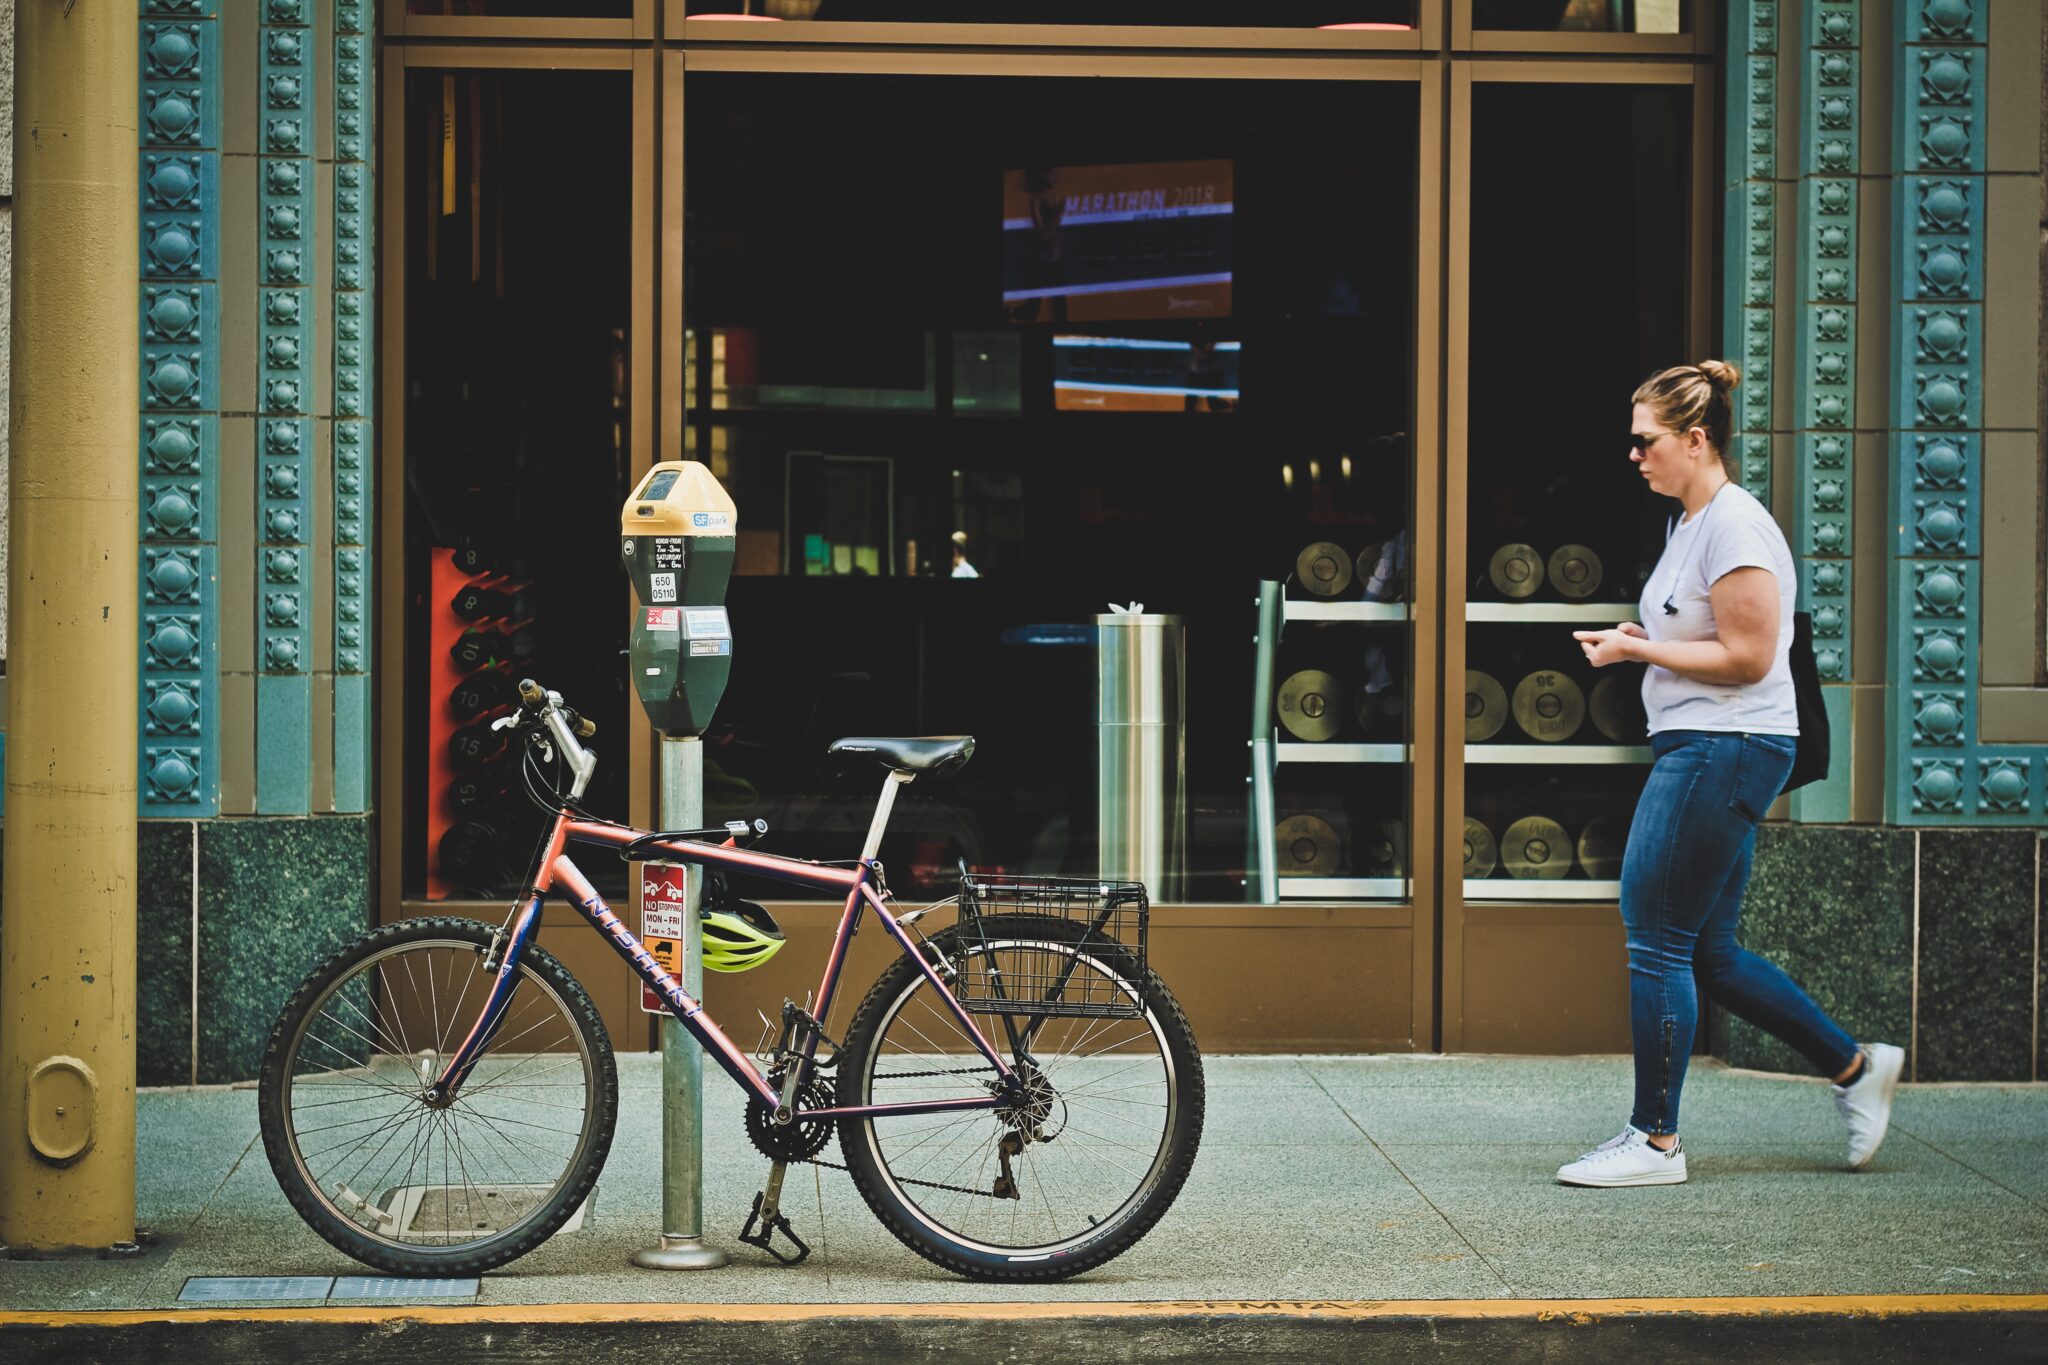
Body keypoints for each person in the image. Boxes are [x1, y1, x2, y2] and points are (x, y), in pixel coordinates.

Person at [1558, 360, 1902, 1188]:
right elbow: (1710, 635)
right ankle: (1858, 1068)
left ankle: (1654, 1142)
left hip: (1725, 744)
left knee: (1655, 934)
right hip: (1707, 743)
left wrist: (1640, 647)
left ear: (1696, 439)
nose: (1634, 456)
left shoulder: (1735, 527)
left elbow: (1751, 657)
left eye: (1646, 441)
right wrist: (1640, 637)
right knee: (1708, 951)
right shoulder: (1691, 523)